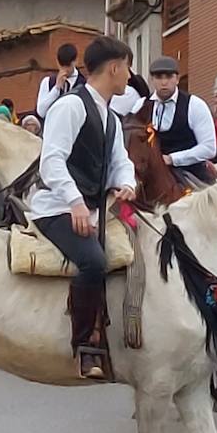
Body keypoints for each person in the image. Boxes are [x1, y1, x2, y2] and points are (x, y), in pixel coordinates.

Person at [27, 35, 137, 380]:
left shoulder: (112, 118)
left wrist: (128, 183)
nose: (130, 76)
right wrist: (74, 202)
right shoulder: (69, 106)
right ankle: (85, 345)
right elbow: (52, 160)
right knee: (93, 261)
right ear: (115, 68)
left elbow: (121, 160)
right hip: (56, 207)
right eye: (128, 68)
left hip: (93, 207)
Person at [145, 56, 216, 185]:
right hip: (150, 174)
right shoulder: (141, 106)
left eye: (169, 77)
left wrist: (173, 159)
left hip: (189, 172)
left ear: (177, 79)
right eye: (159, 77)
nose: (164, 82)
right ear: (152, 80)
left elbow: (209, 148)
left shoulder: (195, 105)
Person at [35, 43, 86, 120]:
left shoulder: (84, 84)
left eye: (68, 66)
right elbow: (41, 112)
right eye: (62, 66)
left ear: (76, 61)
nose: (64, 70)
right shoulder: (48, 82)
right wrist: (56, 89)